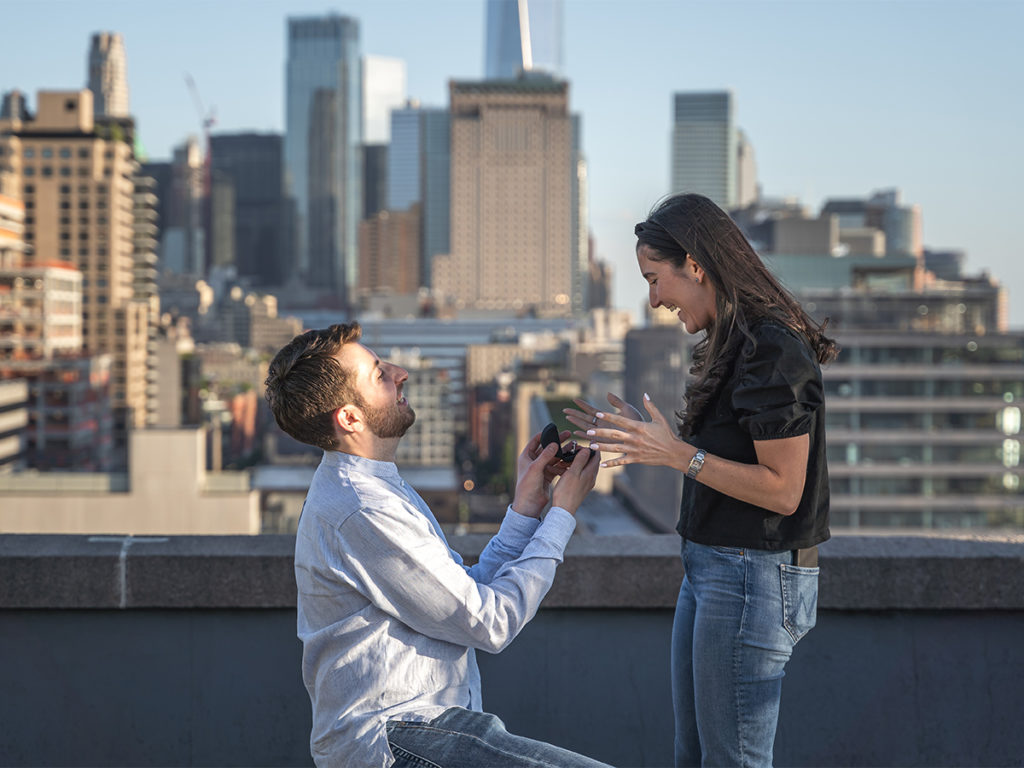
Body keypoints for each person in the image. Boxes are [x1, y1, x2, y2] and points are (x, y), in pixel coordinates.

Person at [565, 193, 837, 768]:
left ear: (695, 264)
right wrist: (649, 441)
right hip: (716, 569)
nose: (653, 299)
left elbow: (784, 490)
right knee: (697, 757)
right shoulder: (737, 342)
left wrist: (678, 455)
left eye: (655, 278)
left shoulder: (771, 349)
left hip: (750, 576)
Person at [264, 322, 609, 768]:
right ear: (349, 418)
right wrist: (561, 515)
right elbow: (493, 622)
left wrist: (526, 507)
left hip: (428, 729)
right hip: (396, 737)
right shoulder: (363, 509)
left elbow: (468, 596)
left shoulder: (375, 489)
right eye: (379, 374)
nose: (400, 372)